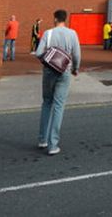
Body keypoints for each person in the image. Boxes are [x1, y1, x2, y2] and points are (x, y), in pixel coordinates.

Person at [34, 10, 81, 155]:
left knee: (47, 103)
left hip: (49, 72)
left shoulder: (48, 33)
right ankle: (53, 145)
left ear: (55, 19)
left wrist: (49, 60)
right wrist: (75, 68)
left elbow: (38, 53)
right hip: (64, 71)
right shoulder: (72, 33)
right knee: (59, 106)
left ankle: (42, 140)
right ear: (65, 19)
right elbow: (77, 54)